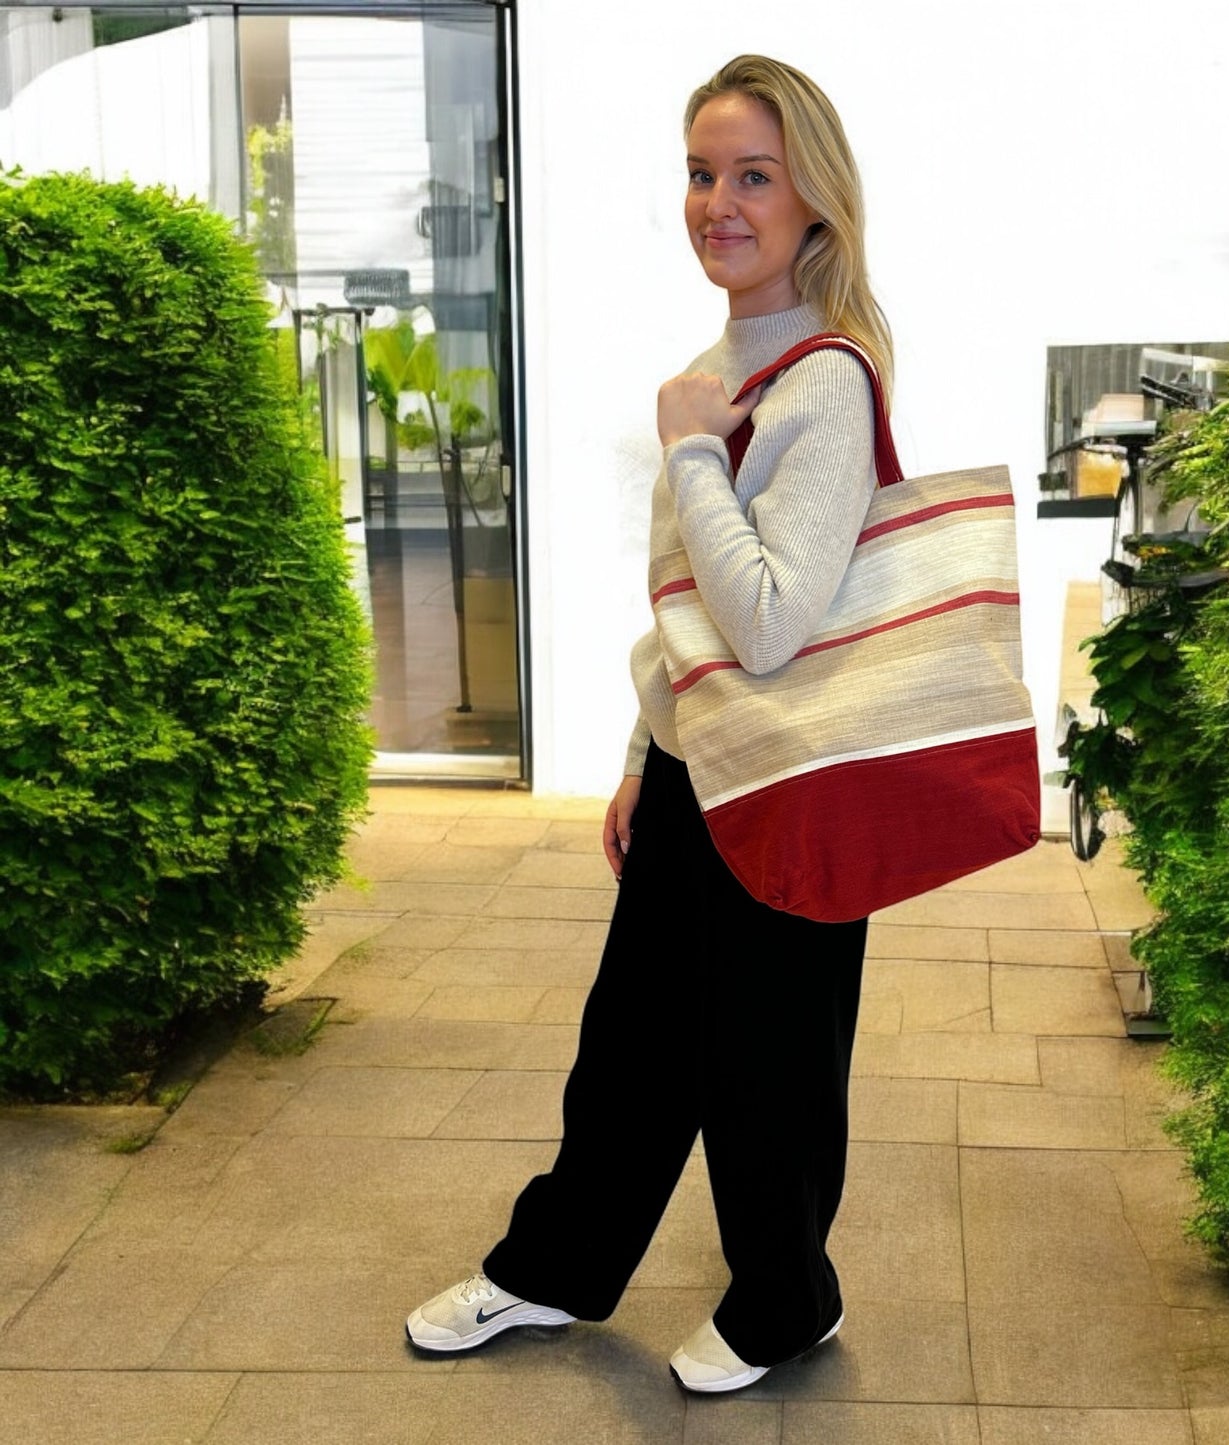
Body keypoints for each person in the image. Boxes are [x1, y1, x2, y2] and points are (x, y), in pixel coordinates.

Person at [405, 53, 893, 1394]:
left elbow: (774, 619)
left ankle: (787, 1298)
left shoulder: (823, 384)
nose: (717, 203)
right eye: (700, 173)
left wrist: (688, 446)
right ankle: (552, 1266)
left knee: (768, 1071)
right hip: (696, 770)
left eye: (752, 176)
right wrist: (639, 753)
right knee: (631, 1048)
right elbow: (683, 604)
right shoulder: (712, 367)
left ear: (814, 203)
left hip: (785, 782)